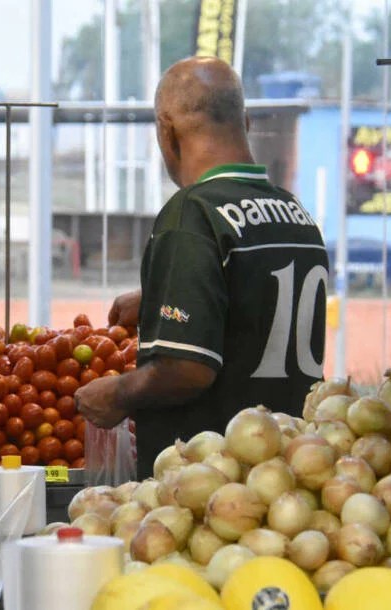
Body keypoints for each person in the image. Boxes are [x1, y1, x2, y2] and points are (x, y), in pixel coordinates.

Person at [75, 57, 329, 479]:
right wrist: (164, 295)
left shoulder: (192, 214)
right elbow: (255, 296)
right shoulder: (294, 212)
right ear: (244, 122)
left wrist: (117, 394)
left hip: (213, 480)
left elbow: (188, 370)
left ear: (166, 131)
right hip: (286, 471)